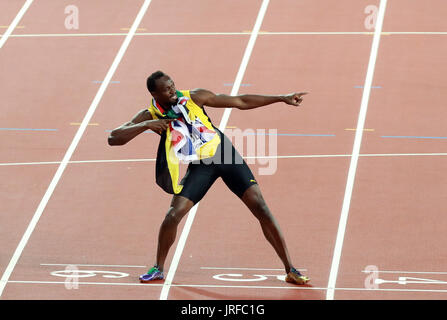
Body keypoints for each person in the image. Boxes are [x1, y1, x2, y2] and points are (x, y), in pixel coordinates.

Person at [108, 70, 310, 285]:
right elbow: (113, 138)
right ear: (154, 93)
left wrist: (280, 98)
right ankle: (158, 268)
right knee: (173, 215)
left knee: (260, 206)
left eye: (173, 85)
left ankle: (290, 269)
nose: (172, 91)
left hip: (224, 155)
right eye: (166, 90)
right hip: (200, 165)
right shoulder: (149, 115)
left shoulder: (195, 97)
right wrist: (145, 125)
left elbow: (240, 101)